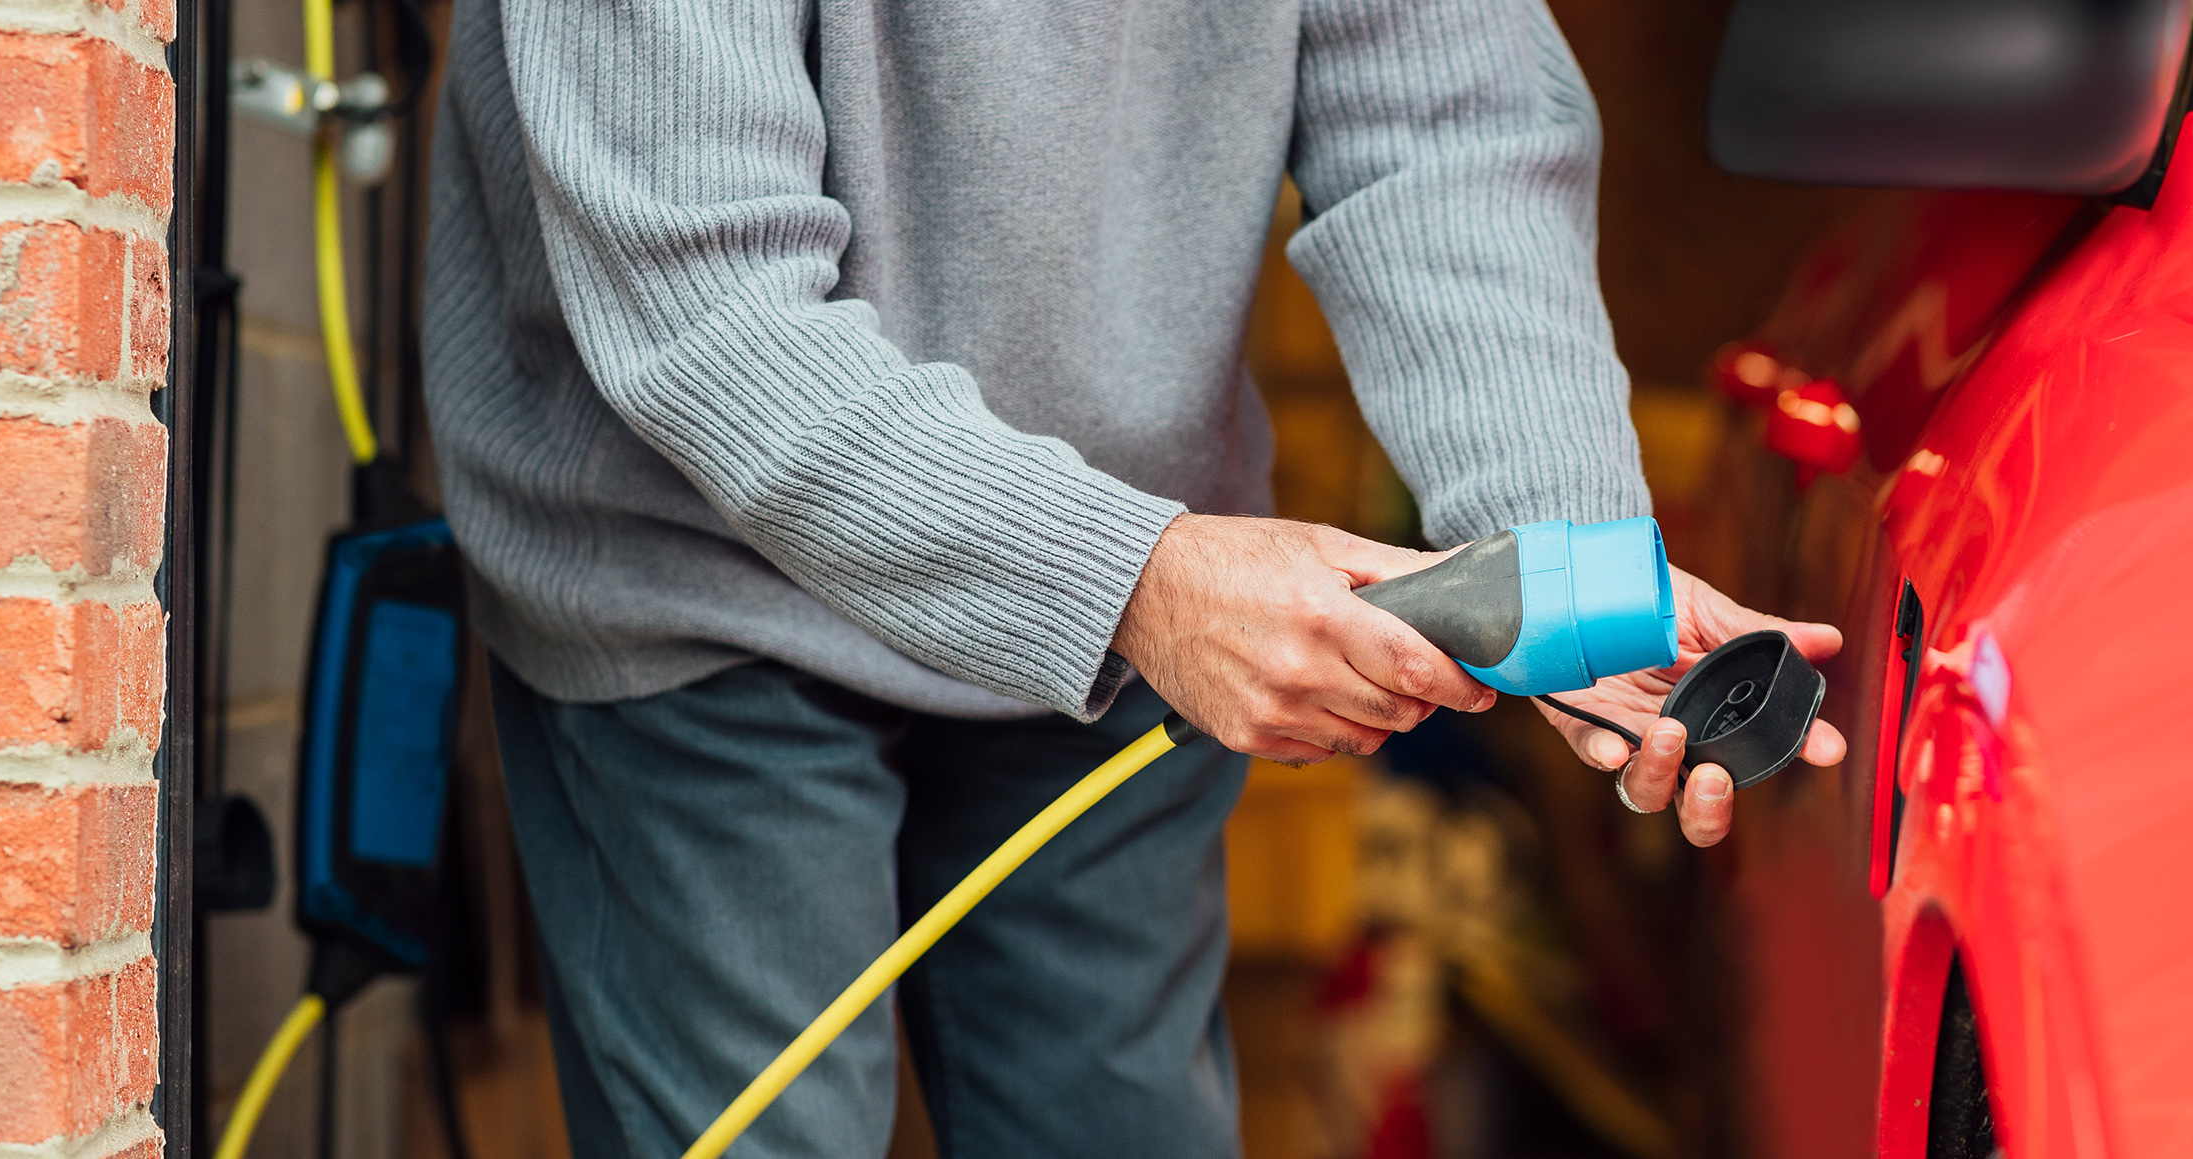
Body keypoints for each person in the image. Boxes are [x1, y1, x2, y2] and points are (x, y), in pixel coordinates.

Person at [422, 0, 1845, 1154]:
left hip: (1134, 586)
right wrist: (1140, 582)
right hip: (705, 584)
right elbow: (700, 308)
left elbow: (1441, 119)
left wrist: (1558, 558)